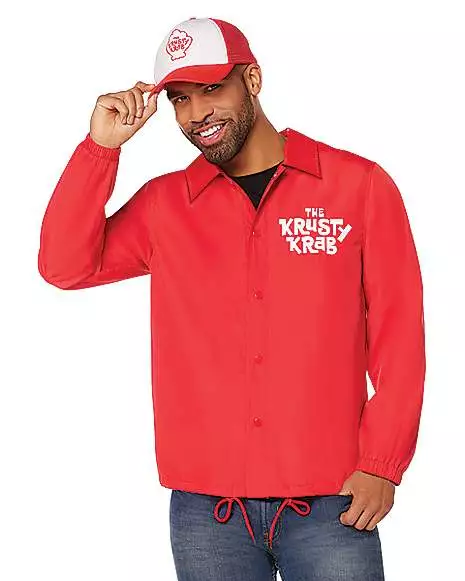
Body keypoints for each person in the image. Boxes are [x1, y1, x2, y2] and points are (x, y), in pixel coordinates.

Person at [38, 16, 426, 581]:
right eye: (180, 98)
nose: (196, 113)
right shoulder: (165, 205)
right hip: (207, 512)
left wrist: (382, 464)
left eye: (212, 89)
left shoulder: (357, 187)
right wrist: (100, 149)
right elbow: (64, 266)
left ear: (253, 79)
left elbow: (400, 335)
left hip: (335, 501)